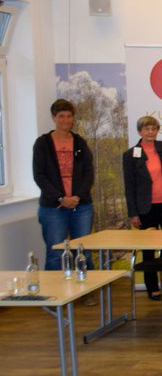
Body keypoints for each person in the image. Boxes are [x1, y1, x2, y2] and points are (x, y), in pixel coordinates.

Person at [122, 116, 162, 300]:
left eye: (153, 128)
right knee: (149, 249)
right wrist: (133, 212)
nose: (150, 131)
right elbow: (129, 186)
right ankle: (152, 287)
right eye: (146, 128)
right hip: (145, 207)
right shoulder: (131, 154)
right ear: (139, 132)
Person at [33, 99, 95, 272]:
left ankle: (85, 295)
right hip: (53, 208)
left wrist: (78, 197)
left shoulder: (79, 142)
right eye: (61, 116)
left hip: (81, 206)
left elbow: (88, 173)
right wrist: (60, 198)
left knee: (83, 252)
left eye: (69, 116)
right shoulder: (43, 143)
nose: (65, 120)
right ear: (54, 117)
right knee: (55, 253)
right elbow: (39, 175)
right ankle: (55, 297)